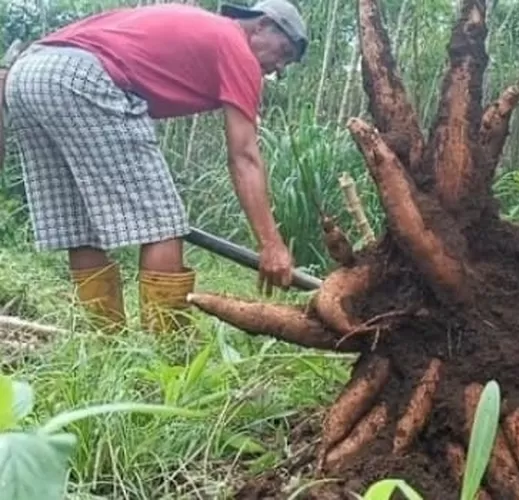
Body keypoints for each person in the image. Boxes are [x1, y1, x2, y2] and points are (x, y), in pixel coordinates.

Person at [1, 0, 307, 334]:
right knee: (163, 224)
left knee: (80, 227)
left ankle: (109, 350)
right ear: (261, 25)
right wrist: (271, 245)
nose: (280, 68)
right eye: (283, 52)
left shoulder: (203, 28)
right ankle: (167, 354)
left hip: (27, 75)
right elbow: (244, 156)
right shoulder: (236, 46)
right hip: (81, 76)